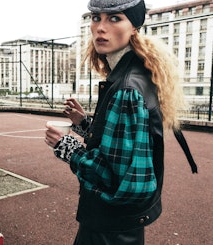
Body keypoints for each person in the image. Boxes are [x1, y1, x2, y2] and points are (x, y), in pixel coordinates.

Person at [45, 0, 186, 244]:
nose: (100, 27)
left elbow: (111, 175)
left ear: (134, 27)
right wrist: (84, 124)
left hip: (109, 227)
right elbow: (120, 147)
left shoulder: (126, 88)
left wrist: (67, 147)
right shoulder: (135, 73)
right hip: (122, 223)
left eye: (114, 18)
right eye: (96, 17)